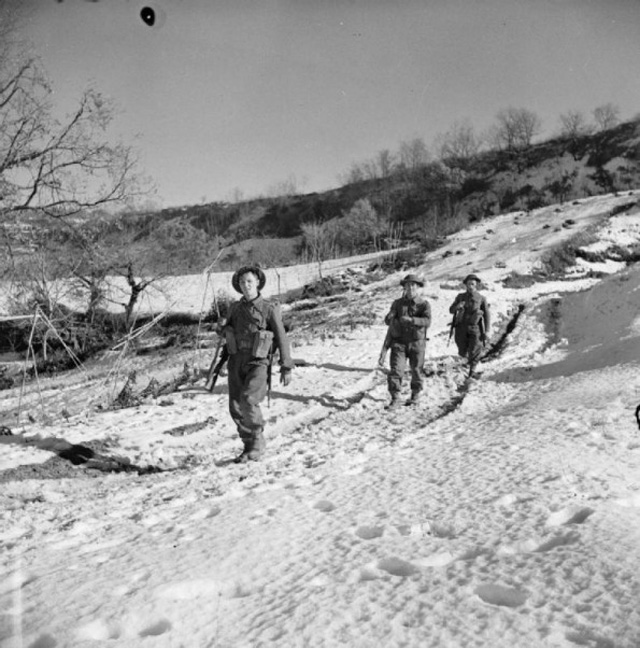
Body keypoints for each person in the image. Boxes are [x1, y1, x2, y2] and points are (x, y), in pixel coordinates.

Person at [219, 265, 294, 463]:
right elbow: (227, 330)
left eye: (249, 282)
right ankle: (249, 445)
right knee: (235, 406)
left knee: (249, 399)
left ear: (258, 282)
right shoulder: (235, 308)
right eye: (242, 283)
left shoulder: (269, 308)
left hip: (258, 361)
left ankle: (257, 443)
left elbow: (281, 336)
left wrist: (286, 366)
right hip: (236, 360)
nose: (246, 286)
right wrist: (222, 328)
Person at [378, 273, 431, 409]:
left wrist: (413, 320)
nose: (410, 288)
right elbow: (388, 321)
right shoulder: (397, 304)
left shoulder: (424, 305)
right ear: (404, 288)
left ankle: (415, 395)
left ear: (418, 287)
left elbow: (427, 321)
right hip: (399, 342)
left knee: (416, 370)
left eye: (413, 285)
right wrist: (390, 316)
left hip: (417, 342)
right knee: (396, 370)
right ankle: (395, 398)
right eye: (407, 285)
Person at [449, 273, 490, 378]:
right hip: (461, 328)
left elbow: (487, 315)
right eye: (468, 284)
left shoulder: (481, 298)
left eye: (472, 284)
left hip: (475, 328)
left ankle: (472, 370)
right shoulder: (460, 297)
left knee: (475, 349)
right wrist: (457, 306)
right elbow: (451, 310)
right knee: (462, 350)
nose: (470, 286)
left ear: (476, 285)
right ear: (466, 285)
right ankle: (467, 362)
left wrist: (487, 330)